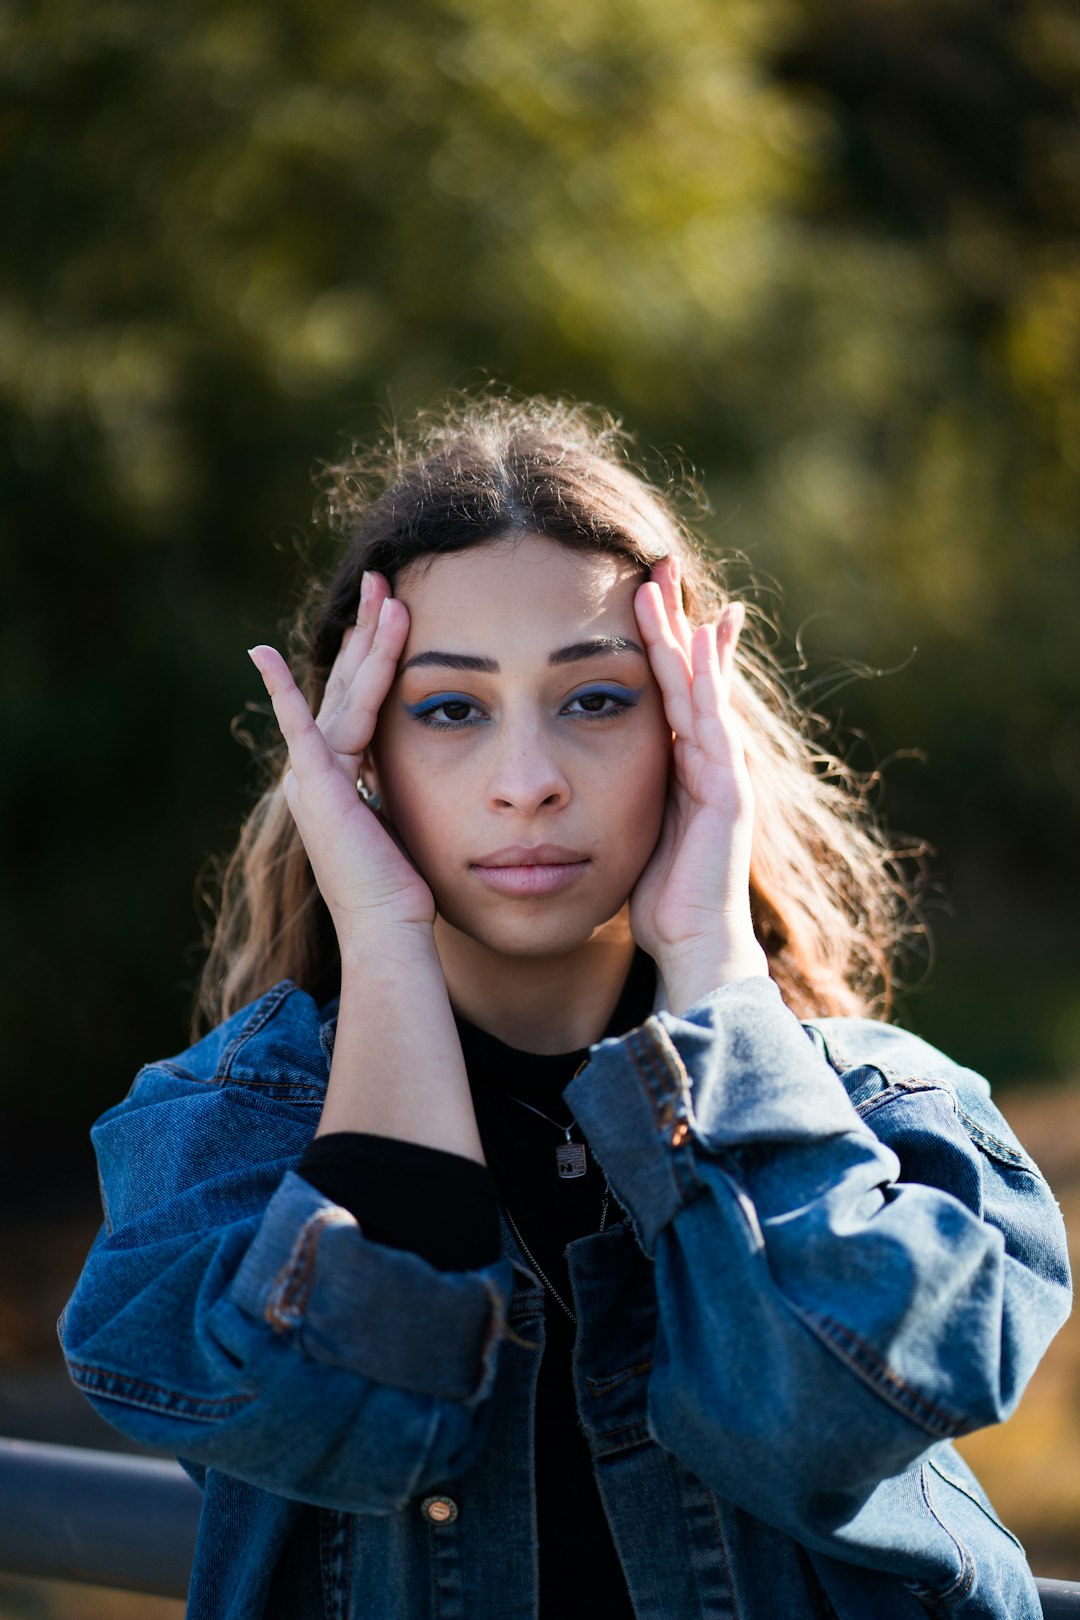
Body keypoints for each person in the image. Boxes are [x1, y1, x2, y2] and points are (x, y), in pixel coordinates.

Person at [61, 396, 1071, 1620]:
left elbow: (820, 1419)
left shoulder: (897, 1117)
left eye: (597, 699)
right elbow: (341, 1423)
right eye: (450, 710)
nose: (528, 785)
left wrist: (710, 956)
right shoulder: (211, 1144)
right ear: (359, 756)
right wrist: (380, 946)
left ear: (692, 736)